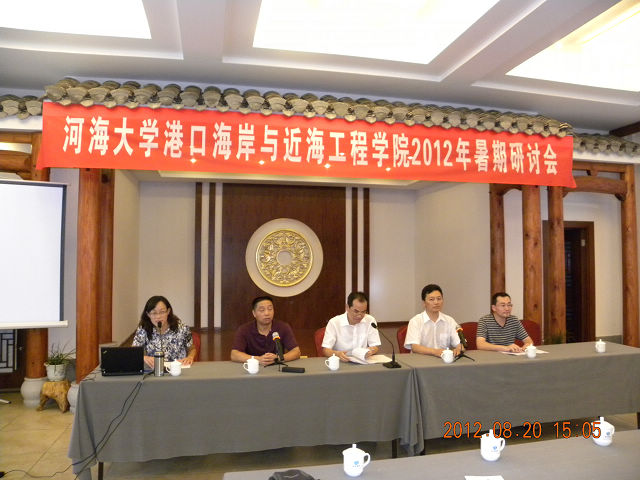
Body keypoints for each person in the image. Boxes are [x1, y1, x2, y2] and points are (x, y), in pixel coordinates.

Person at [230, 295, 301, 366]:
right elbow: (234, 354)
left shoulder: (283, 327)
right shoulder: (244, 329)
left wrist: (278, 358)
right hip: (253, 368)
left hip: (276, 368)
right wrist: (257, 359)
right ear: (254, 313)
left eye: (270, 309)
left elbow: (296, 351)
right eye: (262, 310)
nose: (267, 313)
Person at [133, 295, 196, 368]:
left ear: (168, 311)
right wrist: (144, 357)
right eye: (154, 313)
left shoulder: (182, 328)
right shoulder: (143, 329)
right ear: (148, 314)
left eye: (162, 312)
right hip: (154, 369)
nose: (158, 316)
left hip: (177, 369)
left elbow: (192, 349)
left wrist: (190, 357)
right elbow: (134, 351)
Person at [404, 284, 463, 357]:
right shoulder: (415, 321)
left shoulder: (449, 321)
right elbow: (415, 347)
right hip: (421, 360)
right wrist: (435, 352)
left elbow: (460, 343)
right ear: (424, 303)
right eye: (431, 299)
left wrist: (459, 349)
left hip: (443, 360)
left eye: (439, 299)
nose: (436, 302)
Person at [321, 291, 381, 362]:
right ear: (347, 307)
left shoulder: (370, 321)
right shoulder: (334, 322)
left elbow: (375, 346)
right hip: (341, 362)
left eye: (363, 312)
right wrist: (337, 354)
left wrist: (371, 351)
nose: (359, 315)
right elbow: (325, 350)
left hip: (362, 362)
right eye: (356, 311)